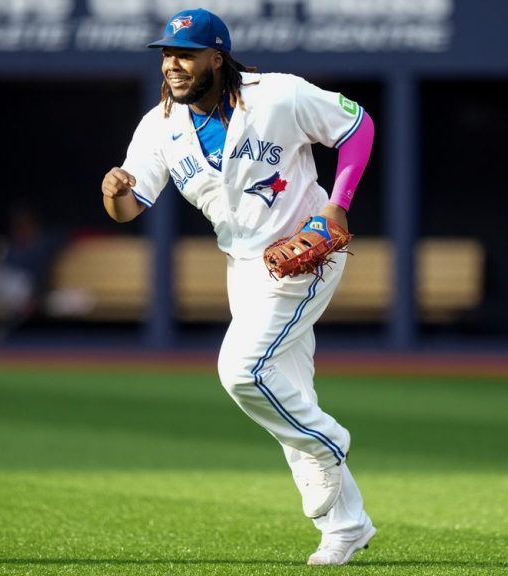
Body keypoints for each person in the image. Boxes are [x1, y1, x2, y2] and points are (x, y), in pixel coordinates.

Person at [101, 8, 376, 566]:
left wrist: (337, 206)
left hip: (305, 254)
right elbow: (130, 207)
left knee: (243, 371)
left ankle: (328, 445)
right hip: (244, 267)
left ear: (216, 58)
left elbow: (358, 126)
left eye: (185, 53)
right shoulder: (159, 127)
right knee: (288, 391)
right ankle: (346, 526)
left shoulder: (277, 96)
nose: (173, 64)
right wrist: (113, 190)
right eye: (167, 54)